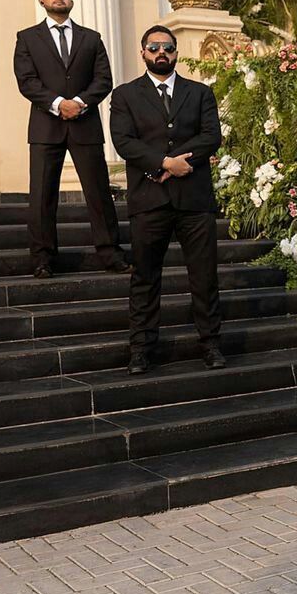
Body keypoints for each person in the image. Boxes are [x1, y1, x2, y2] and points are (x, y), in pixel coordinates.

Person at [109, 26, 225, 375]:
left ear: (176, 53)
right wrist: (162, 163)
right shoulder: (125, 95)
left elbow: (211, 136)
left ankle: (211, 344)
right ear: (143, 52)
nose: (161, 52)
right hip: (149, 199)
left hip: (194, 200)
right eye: (154, 47)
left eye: (168, 47)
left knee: (204, 276)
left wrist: (177, 164)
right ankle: (141, 349)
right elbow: (123, 141)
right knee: (145, 276)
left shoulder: (200, 92)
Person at [12, 0, 129, 278]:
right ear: (42, 0)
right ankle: (42, 258)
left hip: (85, 123)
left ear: (71, 0)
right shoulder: (27, 38)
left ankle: (110, 253)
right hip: (45, 126)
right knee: (42, 195)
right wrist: (57, 104)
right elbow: (26, 81)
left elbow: (103, 79)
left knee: (98, 192)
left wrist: (78, 102)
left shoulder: (92, 38)